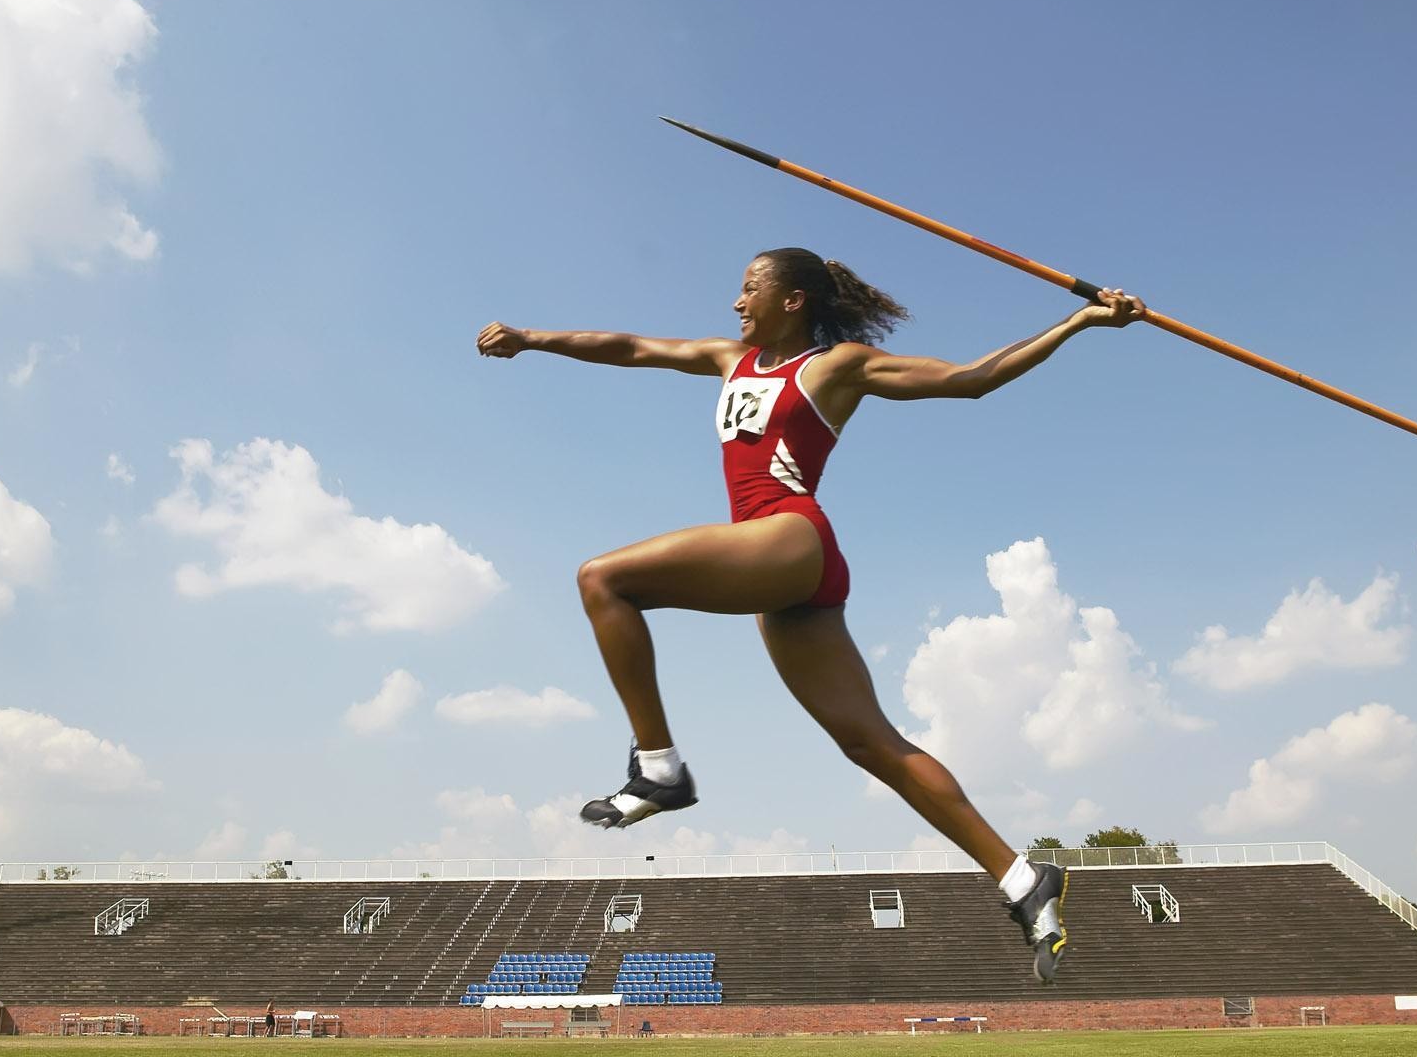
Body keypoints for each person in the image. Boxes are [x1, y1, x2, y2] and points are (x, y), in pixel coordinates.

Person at [477, 248, 1144, 982]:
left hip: (791, 536)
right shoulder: (730, 358)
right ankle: (1023, 880)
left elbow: (971, 379)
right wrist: (533, 338)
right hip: (785, 586)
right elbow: (631, 348)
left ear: (792, 300)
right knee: (870, 744)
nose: (736, 301)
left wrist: (1079, 321)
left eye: (749, 287)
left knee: (603, 579)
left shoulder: (836, 366)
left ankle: (658, 767)